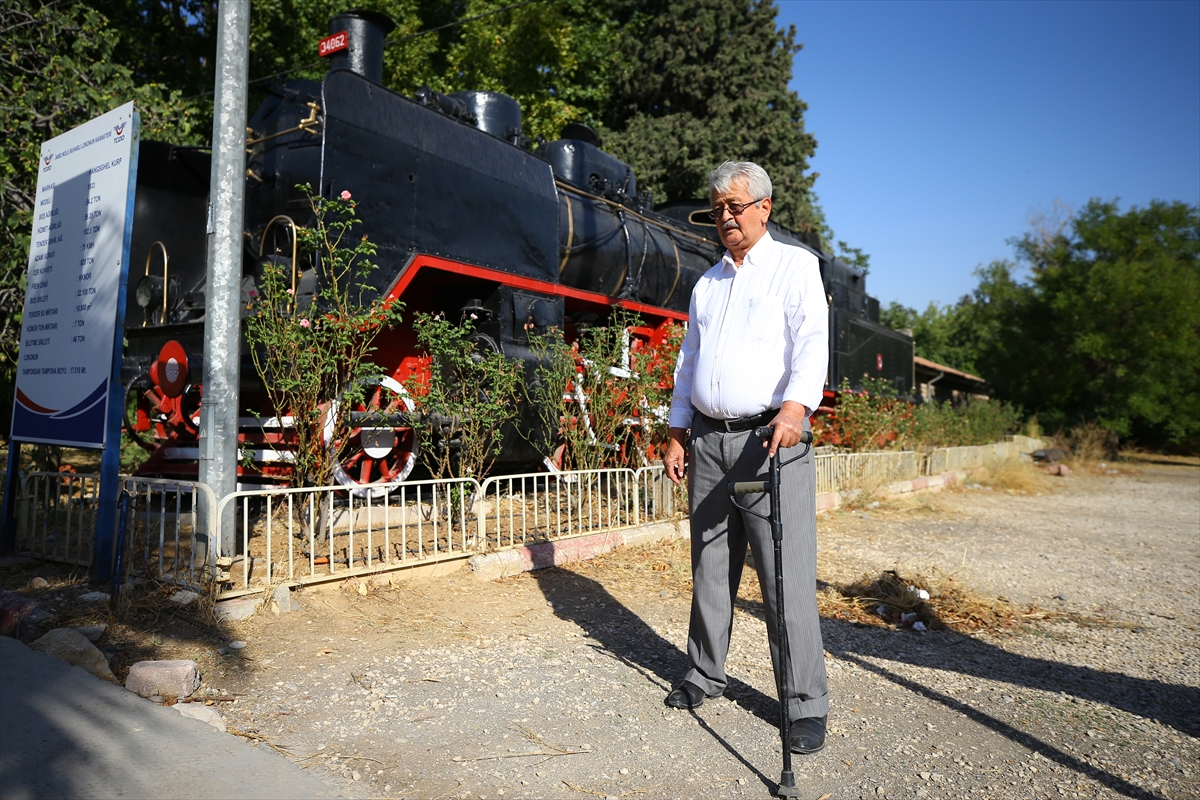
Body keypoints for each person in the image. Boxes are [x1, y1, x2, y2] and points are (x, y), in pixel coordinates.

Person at [661, 160, 830, 754]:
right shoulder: (708, 283)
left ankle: (804, 704)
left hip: (770, 441)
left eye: (735, 206)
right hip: (709, 439)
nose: (724, 217)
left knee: (783, 578)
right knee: (709, 566)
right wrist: (678, 430)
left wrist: (796, 408)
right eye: (717, 208)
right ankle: (704, 674)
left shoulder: (794, 267)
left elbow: (812, 343)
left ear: (764, 208)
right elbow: (688, 363)